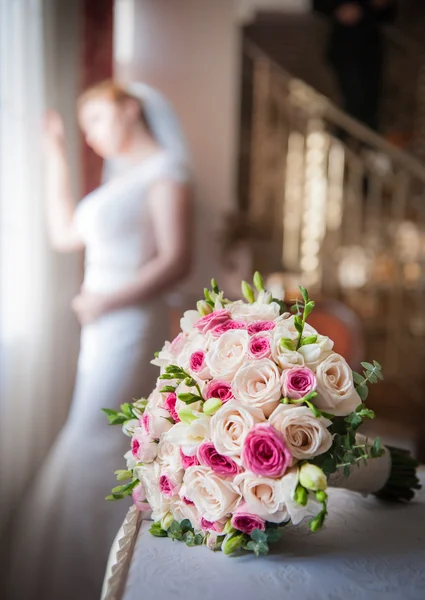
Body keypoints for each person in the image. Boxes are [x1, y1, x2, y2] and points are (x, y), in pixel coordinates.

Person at [7, 81, 192, 600]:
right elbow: (66, 234)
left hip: (130, 327)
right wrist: (54, 154)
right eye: (84, 128)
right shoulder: (122, 181)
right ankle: (84, 568)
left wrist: (106, 302)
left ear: (130, 109)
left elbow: (175, 260)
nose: (90, 136)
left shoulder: (166, 174)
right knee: (91, 436)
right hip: (102, 328)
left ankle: (118, 571)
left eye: (95, 121)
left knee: (100, 437)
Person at [313, 0, 397, 132]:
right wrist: (339, 10)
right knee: (353, 100)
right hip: (343, 47)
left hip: (370, 49)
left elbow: (388, 14)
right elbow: (318, 5)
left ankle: (367, 145)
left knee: (371, 103)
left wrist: (380, 6)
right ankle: (343, 141)